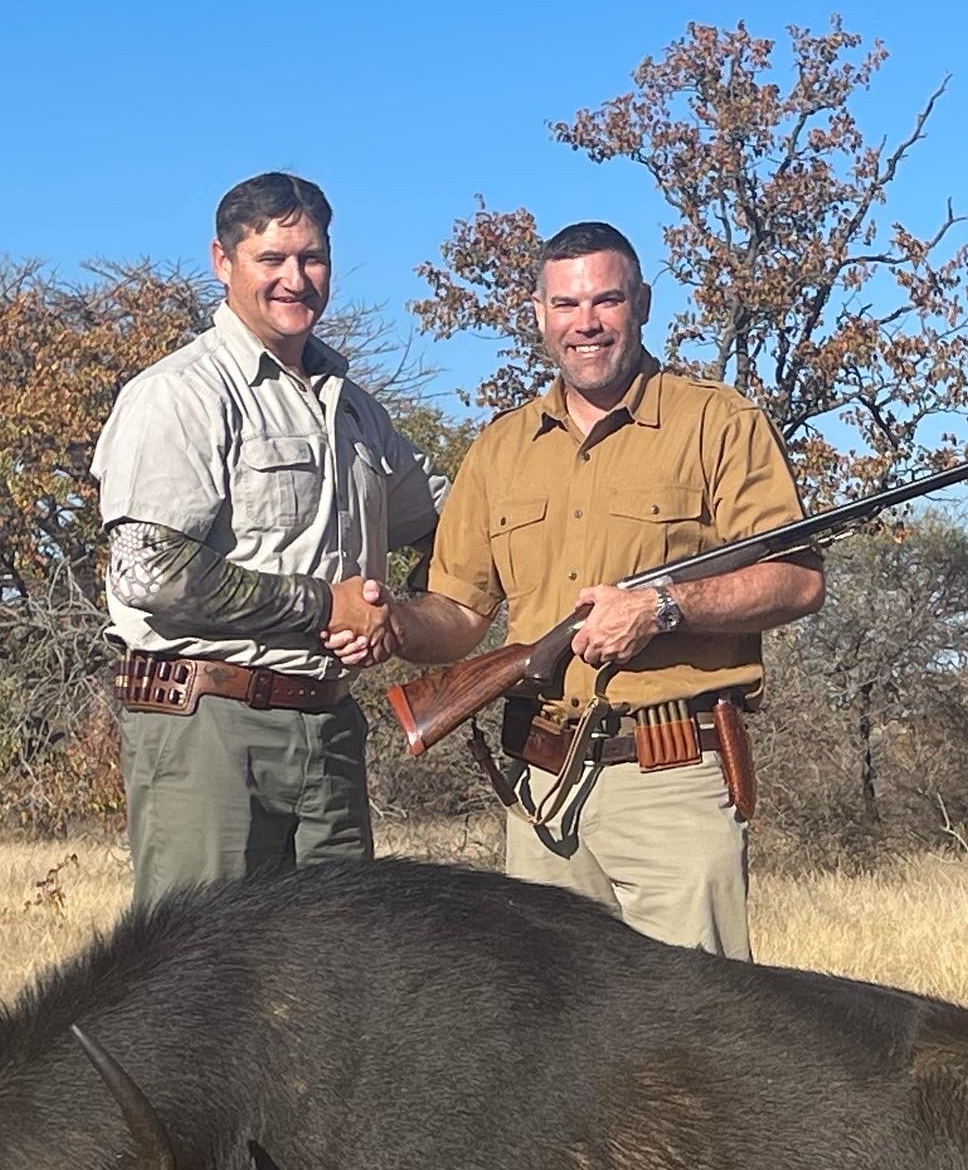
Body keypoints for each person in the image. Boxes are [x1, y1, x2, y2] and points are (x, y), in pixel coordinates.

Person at [386, 221, 825, 959]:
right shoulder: (498, 447)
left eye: (606, 301)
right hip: (541, 789)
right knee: (553, 1042)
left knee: (695, 1036)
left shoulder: (716, 421)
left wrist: (663, 607)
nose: (585, 323)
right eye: (565, 305)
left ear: (642, 304)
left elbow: (797, 577)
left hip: (671, 772)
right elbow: (460, 611)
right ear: (538, 314)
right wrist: (388, 625)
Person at [92, 172, 447, 906]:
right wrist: (324, 607)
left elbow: (446, 523)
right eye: (272, 259)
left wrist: (405, 617)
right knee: (205, 987)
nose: (296, 279)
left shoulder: (357, 412)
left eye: (312, 258)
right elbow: (146, 572)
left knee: (336, 982)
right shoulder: (180, 393)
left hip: (330, 730)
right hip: (209, 729)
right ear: (222, 262)